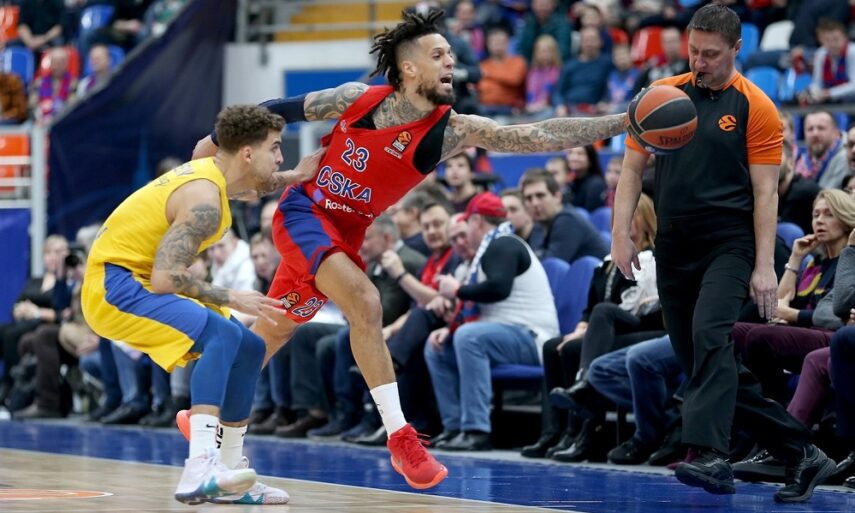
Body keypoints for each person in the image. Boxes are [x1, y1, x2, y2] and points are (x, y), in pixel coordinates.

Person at [188, 8, 627, 491]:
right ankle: (400, 438)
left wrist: (622, 121)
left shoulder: (451, 130)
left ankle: (208, 420)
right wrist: (211, 146)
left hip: (347, 234)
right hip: (304, 214)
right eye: (438, 54)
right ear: (409, 68)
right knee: (366, 302)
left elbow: (539, 134)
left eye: (451, 54)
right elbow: (274, 110)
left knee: (269, 335)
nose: (451, 61)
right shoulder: (355, 100)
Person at [612, 4, 835, 503]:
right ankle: (802, 451)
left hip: (729, 242)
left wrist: (764, 266)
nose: (699, 62)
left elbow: (766, 193)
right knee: (703, 365)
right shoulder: (661, 95)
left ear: (737, 49)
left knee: (710, 336)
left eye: (711, 54)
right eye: (694, 51)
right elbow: (630, 171)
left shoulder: (757, 106)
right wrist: (619, 234)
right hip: (673, 243)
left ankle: (710, 454)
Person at [82, 105, 324, 504]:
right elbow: (165, 279)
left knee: (250, 346)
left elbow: (253, 183)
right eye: (275, 148)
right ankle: (200, 465)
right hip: (115, 286)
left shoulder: (215, 172)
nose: (281, 157)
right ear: (247, 153)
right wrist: (233, 296)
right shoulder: (204, 201)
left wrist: (295, 176)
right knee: (222, 336)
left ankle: (229, 472)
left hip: (137, 278)